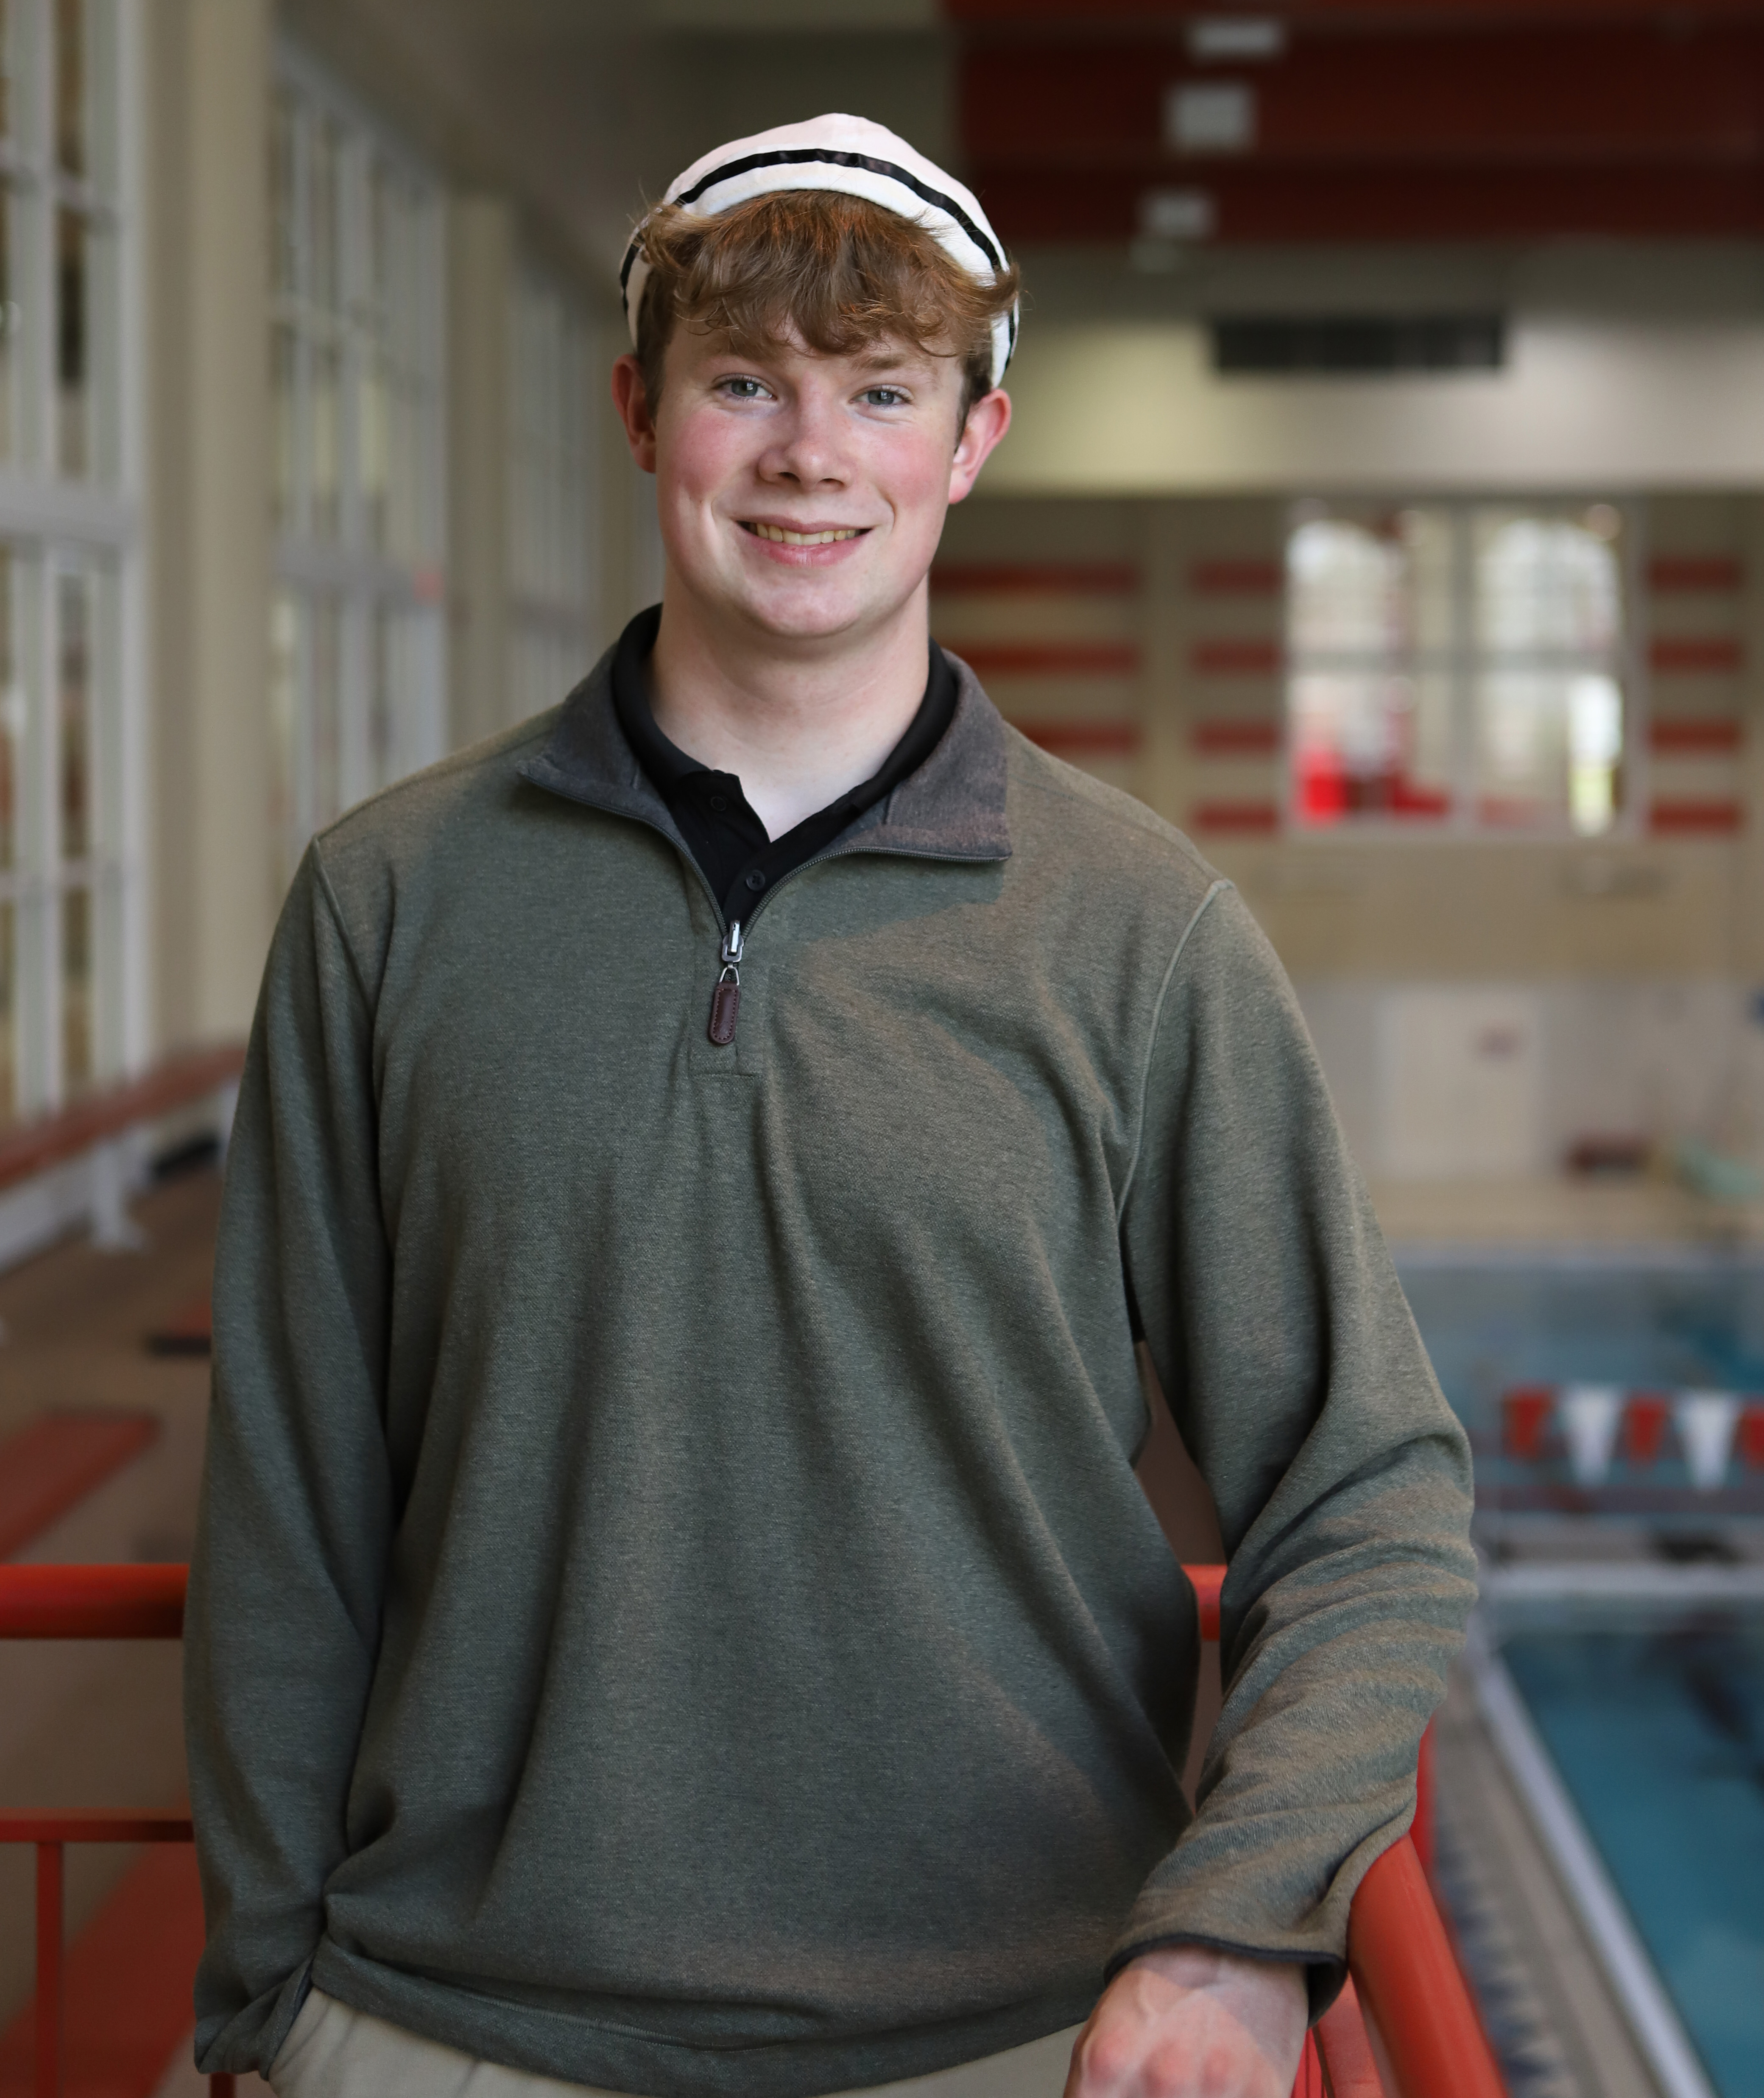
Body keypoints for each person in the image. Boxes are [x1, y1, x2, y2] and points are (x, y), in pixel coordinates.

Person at [187, 115, 1475, 2098]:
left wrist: (1238, 1913)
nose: (809, 454)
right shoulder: (391, 901)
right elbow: (292, 1492)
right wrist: (268, 2000)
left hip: (1011, 2037)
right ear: (642, 414)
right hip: (447, 2026)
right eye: (743, 384)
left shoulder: (1137, 930)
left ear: (970, 441)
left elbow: (1368, 1484)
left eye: (880, 391)